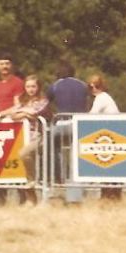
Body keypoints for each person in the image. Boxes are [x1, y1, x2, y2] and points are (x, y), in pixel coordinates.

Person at [47, 59, 89, 204]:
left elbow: (46, 102)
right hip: (80, 124)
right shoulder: (83, 85)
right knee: (76, 159)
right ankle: (75, 196)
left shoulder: (56, 85)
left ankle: (57, 179)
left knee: (50, 148)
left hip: (62, 123)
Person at [11, 75, 53, 205]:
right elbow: (13, 114)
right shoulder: (23, 101)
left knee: (23, 153)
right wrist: (24, 113)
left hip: (39, 135)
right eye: (28, 86)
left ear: (38, 87)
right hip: (24, 135)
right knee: (26, 160)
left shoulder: (43, 100)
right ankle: (31, 197)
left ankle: (32, 183)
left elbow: (35, 112)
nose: (31, 89)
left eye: (33, 86)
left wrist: (22, 112)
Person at [87, 74, 122, 200]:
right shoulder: (106, 97)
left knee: (107, 163)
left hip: (112, 132)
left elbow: (92, 115)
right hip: (115, 131)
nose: (92, 90)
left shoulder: (101, 98)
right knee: (111, 164)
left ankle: (110, 194)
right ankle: (111, 194)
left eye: (92, 87)